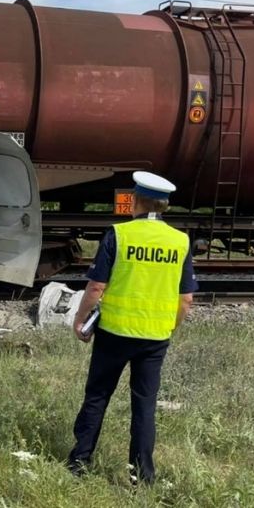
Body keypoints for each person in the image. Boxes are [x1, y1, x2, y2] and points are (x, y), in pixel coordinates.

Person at [66, 171, 197, 485]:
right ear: (164, 206)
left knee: (97, 396)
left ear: (135, 202)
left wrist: (80, 320)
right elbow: (186, 299)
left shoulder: (118, 234)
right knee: (144, 405)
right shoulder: (180, 241)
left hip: (113, 332)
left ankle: (79, 463)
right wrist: (169, 326)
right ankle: (143, 476)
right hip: (155, 339)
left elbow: (97, 286)